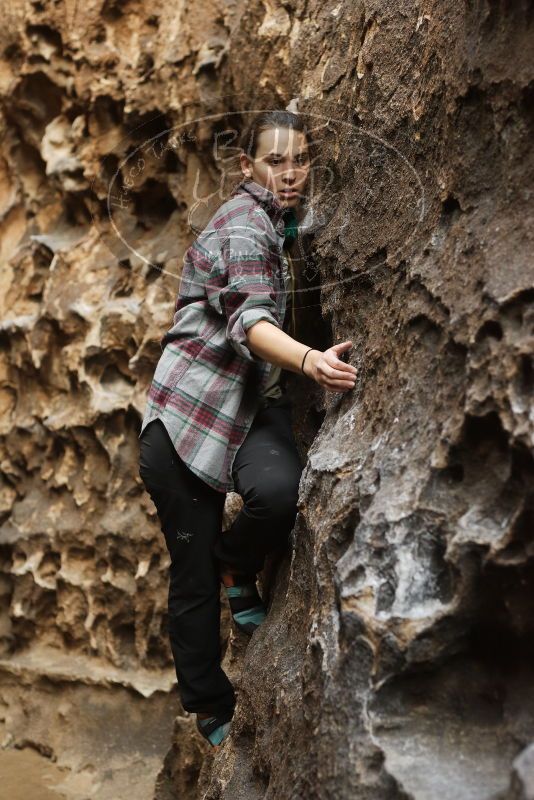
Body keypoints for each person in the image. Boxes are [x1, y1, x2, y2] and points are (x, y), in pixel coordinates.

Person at [137, 110, 358, 748]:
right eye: (275, 161)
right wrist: (311, 360)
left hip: (241, 416)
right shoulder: (243, 225)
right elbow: (249, 323)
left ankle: (236, 563)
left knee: (279, 492)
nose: (290, 174)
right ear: (247, 167)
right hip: (183, 430)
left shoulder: (277, 226)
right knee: (190, 577)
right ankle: (211, 707)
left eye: (301, 160)